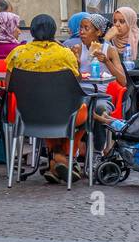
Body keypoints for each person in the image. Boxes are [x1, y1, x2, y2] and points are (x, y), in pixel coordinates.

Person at [6, 14, 87, 183]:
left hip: (28, 114)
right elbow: (76, 84)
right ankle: (64, 158)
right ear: (54, 31)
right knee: (84, 112)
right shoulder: (65, 54)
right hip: (63, 113)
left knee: (46, 112)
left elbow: (9, 87)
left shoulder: (17, 53)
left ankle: (55, 160)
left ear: (32, 31)